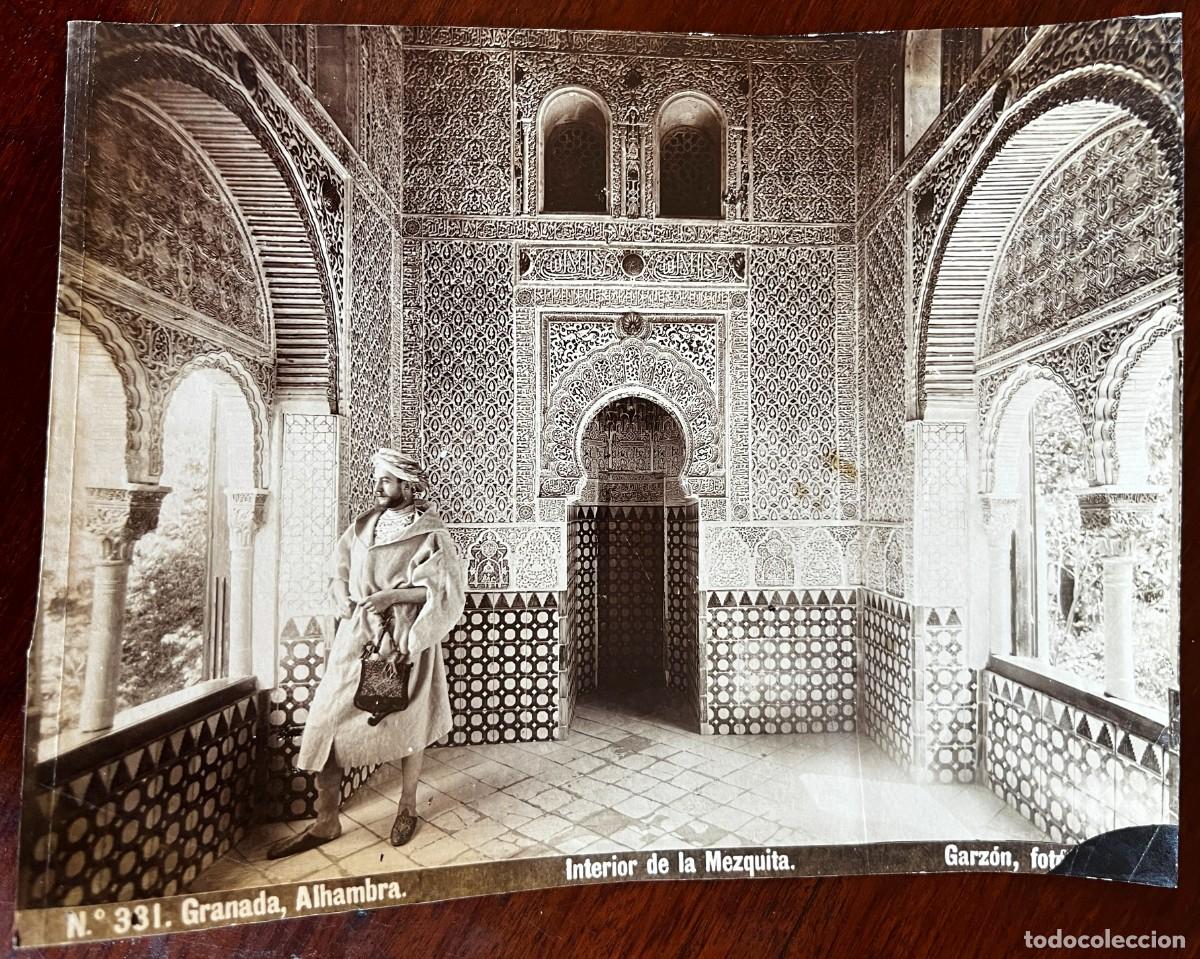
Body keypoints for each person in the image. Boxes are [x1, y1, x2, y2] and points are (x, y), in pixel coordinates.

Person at [267, 449, 466, 857]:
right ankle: (326, 821)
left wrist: (391, 596)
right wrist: (345, 599)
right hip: (359, 636)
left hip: (408, 637)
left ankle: (408, 807)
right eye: (378, 478)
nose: (379, 486)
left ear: (409, 486)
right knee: (325, 720)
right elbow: (337, 572)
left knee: (410, 723)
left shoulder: (432, 534)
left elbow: (442, 592)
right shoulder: (362, 527)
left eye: (388, 480)